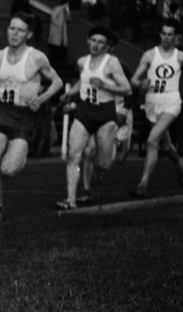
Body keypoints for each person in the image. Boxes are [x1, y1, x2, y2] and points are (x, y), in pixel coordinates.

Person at [0, 13, 62, 221]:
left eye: (20, 30)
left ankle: (20, 154)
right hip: (0, 112)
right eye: (12, 28)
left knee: (8, 170)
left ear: (29, 34)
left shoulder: (37, 57)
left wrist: (40, 99)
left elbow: (57, 82)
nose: (14, 34)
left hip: (24, 117)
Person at [56, 26, 131, 210]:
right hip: (85, 111)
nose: (96, 45)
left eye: (101, 42)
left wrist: (105, 85)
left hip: (105, 113)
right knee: (74, 155)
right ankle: (71, 200)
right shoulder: (82, 61)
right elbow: (83, 81)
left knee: (104, 164)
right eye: (93, 41)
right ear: (88, 41)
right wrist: (70, 94)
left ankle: (116, 143)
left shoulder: (112, 63)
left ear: (106, 46)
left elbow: (127, 89)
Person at [128, 20, 183, 197]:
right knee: (165, 146)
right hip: (152, 102)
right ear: (159, 34)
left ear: (175, 36)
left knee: (152, 141)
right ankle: (180, 164)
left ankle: (142, 185)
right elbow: (134, 79)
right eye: (163, 33)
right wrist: (141, 84)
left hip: (171, 102)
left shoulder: (182, 57)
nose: (166, 37)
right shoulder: (149, 55)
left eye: (170, 34)